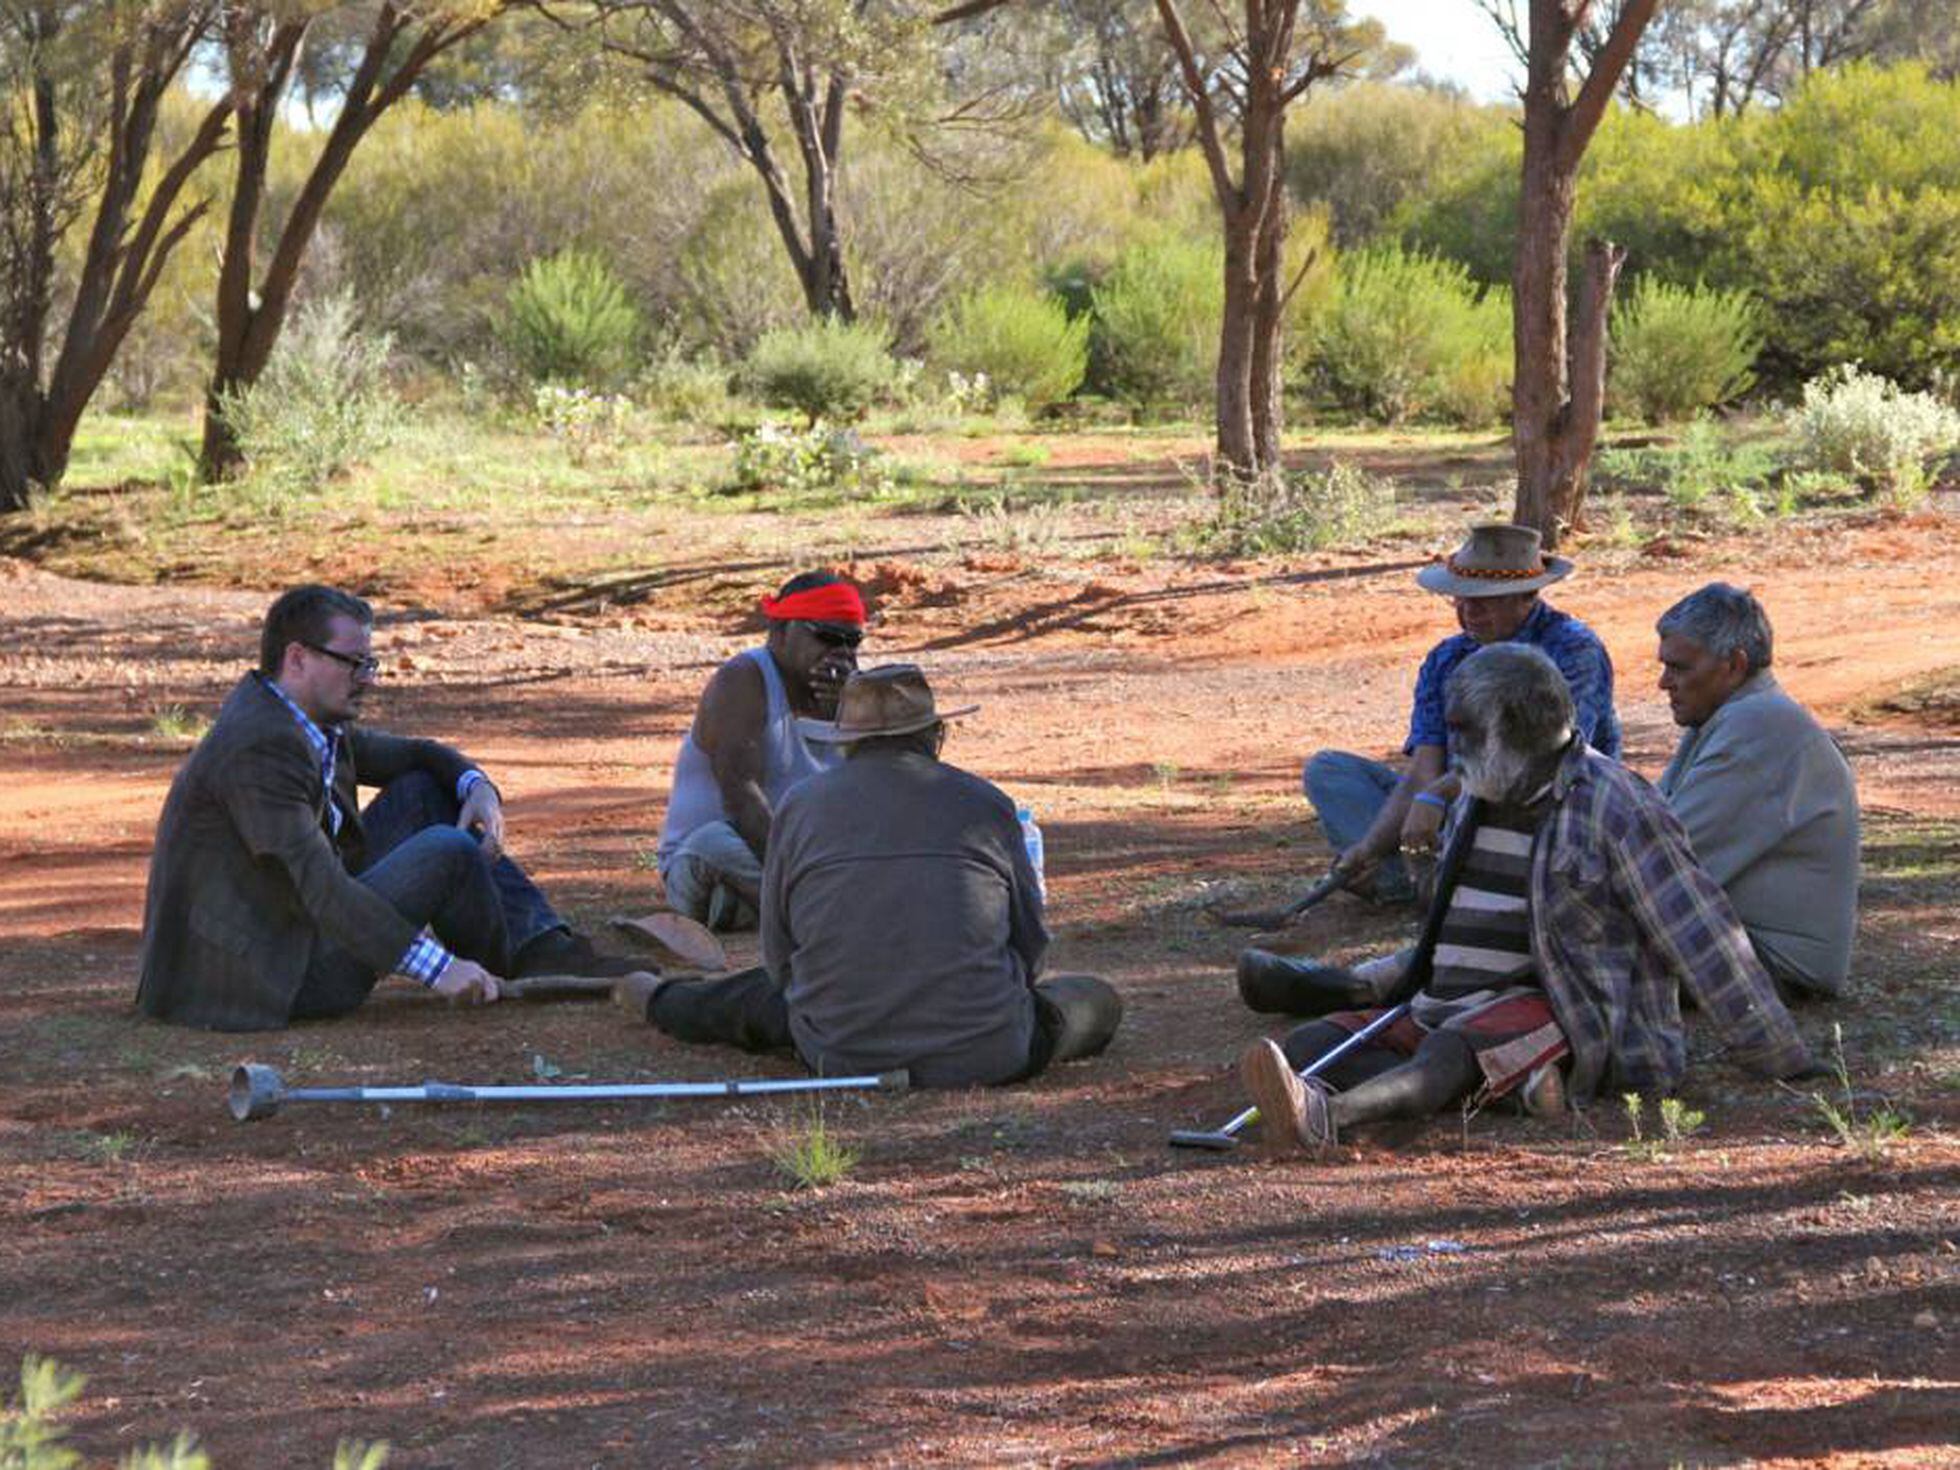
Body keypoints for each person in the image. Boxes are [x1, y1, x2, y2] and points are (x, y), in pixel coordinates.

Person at [1236, 644, 1812, 1158]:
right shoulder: (1482, 789)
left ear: (1513, 728)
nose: (1453, 749)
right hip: (1445, 1002)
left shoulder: (1615, 804)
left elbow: (1700, 931)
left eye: (1465, 730)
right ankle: (1512, 1090)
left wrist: (1777, 1053)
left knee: (1447, 1059)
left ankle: (1323, 1118)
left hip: (1564, 1007)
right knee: (1313, 1043)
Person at [136, 585, 635, 1031]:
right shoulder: (260, 746)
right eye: (354, 663)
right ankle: (508, 967)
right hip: (266, 976)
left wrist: (476, 785)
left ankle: (539, 949)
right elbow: (319, 884)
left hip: (295, 930)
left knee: (425, 790)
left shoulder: (303, 719)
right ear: (298, 658)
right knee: (450, 849)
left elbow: (417, 756)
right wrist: (439, 969)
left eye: (368, 664)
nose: (367, 679)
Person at [620, 665, 1124, 1087]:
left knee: (743, 1000)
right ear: (937, 735)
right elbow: (1031, 947)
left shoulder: (799, 806)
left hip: (837, 1050)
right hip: (988, 1054)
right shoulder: (986, 803)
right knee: (1097, 999)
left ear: (845, 744)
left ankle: (650, 994)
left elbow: (780, 959)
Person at [1299, 523, 1620, 904]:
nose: (1469, 613)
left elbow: (1547, 757)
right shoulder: (1446, 657)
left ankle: (1442, 880)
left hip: (1544, 811)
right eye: (1460, 600)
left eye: (1485, 601)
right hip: (1457, 807)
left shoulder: (1572, 648)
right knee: (1330, 770)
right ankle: (1414, 876)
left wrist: (1436, 796)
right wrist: (1369, 847)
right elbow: (1424, 769)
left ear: (1526, 597)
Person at [1655, 583, 1859, 998]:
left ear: (1733, 665)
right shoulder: (1735, 715)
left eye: (1679, 668)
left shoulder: (1758, 726)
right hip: (1745, 947)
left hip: (1775, 964)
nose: (1664, 682)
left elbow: (1660, 863)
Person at [654, 572, 864, 931]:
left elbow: (875, 788)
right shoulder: (743, 680)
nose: (840, 652)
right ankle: (813, 910)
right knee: (713, 842)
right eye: (826, 637)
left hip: (799, 860)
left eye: (852, 641)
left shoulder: (856, 692)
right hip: (722, 854)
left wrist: (850, 717)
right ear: (779, 633)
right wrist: (802, 875)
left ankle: (757, 906)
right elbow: (741, 796)